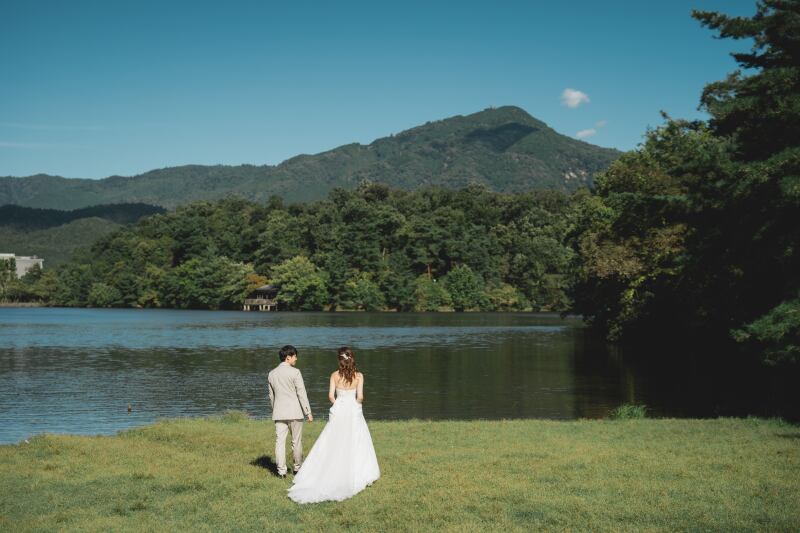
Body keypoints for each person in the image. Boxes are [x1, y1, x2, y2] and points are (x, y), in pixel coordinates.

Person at [288, 346, 380, 503]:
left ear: (340, 359)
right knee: (356, 439)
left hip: (339, 409)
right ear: (351, 358)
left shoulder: (334, 375)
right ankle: (359, 472)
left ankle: (325, 471)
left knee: (333, 440)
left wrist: (339, 403)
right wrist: (355, 405)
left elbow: (331, 396)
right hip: (353, 410)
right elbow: (361, 397)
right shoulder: (359, 376)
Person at [268, 345, 313, 478]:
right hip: (295, 412)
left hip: (279, 412)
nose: (296, 359)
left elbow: (272, 396)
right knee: (296, 441)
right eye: (294, 356)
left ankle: (281, 472)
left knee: (279, 442)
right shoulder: (296, 372)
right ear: (288, 357)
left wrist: (275, 409)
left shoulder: (272, 373)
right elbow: (301, 393)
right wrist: (308, 412)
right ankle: (297, 469)